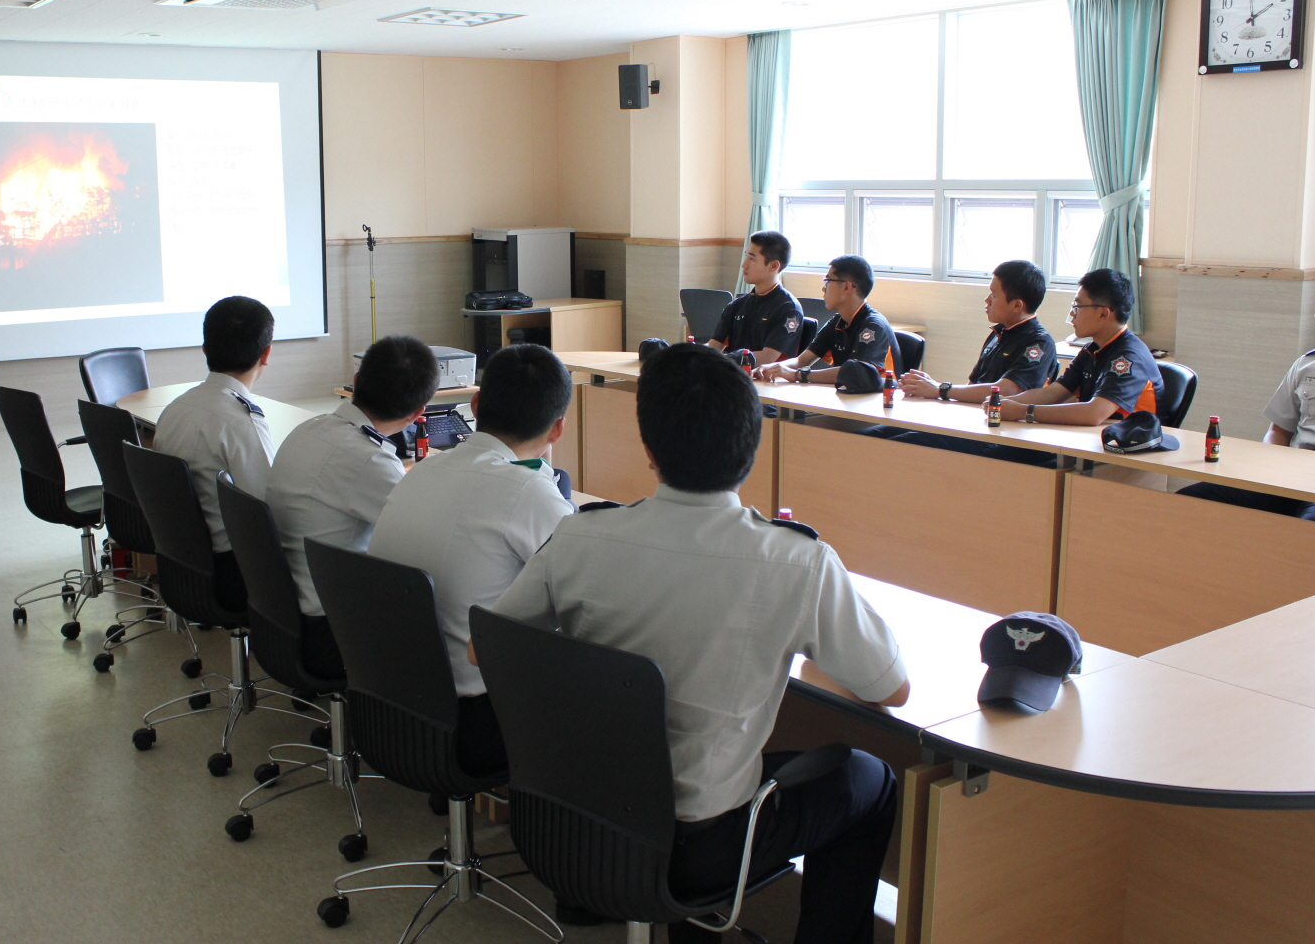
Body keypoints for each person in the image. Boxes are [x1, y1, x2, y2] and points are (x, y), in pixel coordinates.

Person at [485, 343, 909, 944]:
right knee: (872, 781)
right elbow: (890, 687)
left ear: (649, 451)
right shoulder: (796, 561)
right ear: (752, 447)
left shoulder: (579, 536)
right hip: (699, 849)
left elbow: (491, 644)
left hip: (573, 821)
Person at [369, 343, 576, 773]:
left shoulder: (420, 471)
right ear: (558, 429)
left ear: (476, 404)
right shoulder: (527, 492)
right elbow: (584, 593)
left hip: (389, 696)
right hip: (474, 719)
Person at [268, 335, 440, 678]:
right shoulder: (370, 461)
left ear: (356, 382)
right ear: (418, 413)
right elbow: (425, 542)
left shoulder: (308, 429)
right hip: (328, 631)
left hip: (281, 612)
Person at [1179, 265, 1315, 533]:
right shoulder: (1309, 364)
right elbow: (1279, 429)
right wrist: (1275, 468)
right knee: (1190, 502)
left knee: (1314, 531)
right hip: (1293, 478)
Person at [154, 296, 278, 611]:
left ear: (205, 349)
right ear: (266, 354)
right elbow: (269, 510)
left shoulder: (176, 407)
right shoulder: (241, 422)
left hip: (183, 564)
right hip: (232, 571)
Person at [880, 260, 1058, 455]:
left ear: (1017, 305)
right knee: (875, 436)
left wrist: (940, 389)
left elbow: (1005, 391)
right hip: (974, 424)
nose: (987, 300)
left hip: (1001, 436)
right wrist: (931, 391)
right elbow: (972, 385)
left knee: (896, 447)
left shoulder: (1039, 343)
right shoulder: (999, 334)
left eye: (993, 295)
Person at [995, 268, 1161, 428]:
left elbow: (1094, 413)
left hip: (1131, 443)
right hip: (1096, 438)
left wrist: (1024, 411)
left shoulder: (1129, 357)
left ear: (1103, 314)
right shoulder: (1092, 350)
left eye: (1077, 307)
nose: (1072, 314)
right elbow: (1054, 393)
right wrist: (1002, 403)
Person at [754, 255, 897, 387]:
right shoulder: (838, 321)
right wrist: (771, 368)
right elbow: (801, 361)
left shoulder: (873, 326)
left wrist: (799, 375)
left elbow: (856, 373)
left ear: (846, 287)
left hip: (882, 401)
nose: (823, 289)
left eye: (828, 281)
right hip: (849, 398)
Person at [705, 231, 806, 365]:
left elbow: (767, 358)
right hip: (735, 373)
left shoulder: (789, 309)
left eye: (752, 259)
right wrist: (693, 352)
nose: (744, 265)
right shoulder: (737, 305)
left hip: (766, 377)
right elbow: (713, 346)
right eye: (746, 256)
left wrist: (722, 360)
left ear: (774, 266)